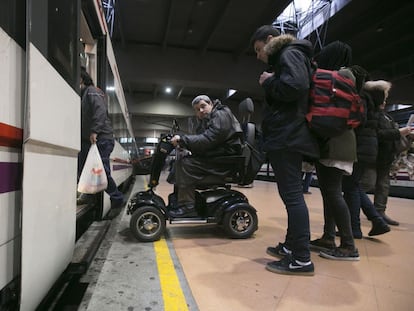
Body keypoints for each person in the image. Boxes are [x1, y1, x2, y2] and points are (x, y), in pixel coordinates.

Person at [251, 25, 319, 275]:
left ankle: (301, 258)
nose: (258, 56)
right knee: (291, 195)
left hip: (288, 135)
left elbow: (295, 87)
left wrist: (269, 82)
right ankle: (293, 246)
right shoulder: (291, 55)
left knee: (292, 196)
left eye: (259, 50)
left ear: (270, 40)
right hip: (288, 134)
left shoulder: (289, 52)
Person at [308, 41, 360, 261]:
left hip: (337, 143)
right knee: (329, 193)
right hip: (336, 141)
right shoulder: (344, 76)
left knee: (333, 193)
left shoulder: (342, 75)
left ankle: (348, 245)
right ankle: (329, 237)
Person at [168, 95, 243, 217]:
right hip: (217, 158)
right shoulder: (208, 120)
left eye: (203, 106)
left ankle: (188, 207)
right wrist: (185, 145)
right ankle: (180, 199)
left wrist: (183, 140)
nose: (201, 111)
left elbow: (210, 139)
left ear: (211, 104)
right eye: (197, 109)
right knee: (179, 161)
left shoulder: (220, 114)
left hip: (223, 162)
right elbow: (203, 143)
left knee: (185, 164)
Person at [341, 67, 390, 238]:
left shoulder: (363, 100)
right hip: (368, 149)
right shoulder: (375, 105)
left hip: (359, 147)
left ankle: (355, 228)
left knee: (351, 187)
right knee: (353, 186)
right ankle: (377, 220)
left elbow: (358, 123)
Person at [361, 80, 413, 225]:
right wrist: (398, 132)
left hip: (385, 157)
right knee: (366, 184)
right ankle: (348, 207)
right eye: (383, 97)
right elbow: (377, 134)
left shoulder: (386, 116)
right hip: (372, 157)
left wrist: (406, 134)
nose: (385, 100)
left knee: (383, 186)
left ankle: (379, 212)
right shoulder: (370, 114)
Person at [77, 67, 124, 208]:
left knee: (101, 171)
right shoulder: (84, 95)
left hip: (101, 139)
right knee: (83, 168)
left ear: (80, 79)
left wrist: (94, 131)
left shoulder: (93, 92)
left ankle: (117, 198)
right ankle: (88, 195)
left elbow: (100, 112)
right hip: (88, 140)